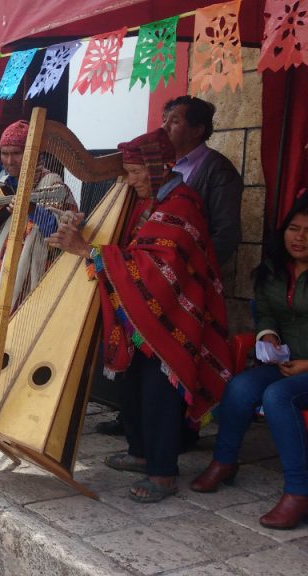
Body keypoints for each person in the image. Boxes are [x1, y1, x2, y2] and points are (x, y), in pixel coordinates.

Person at [48, 128, 232, 503]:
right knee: (131, 389)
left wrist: (87, 251)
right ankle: (139, 452)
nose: (128, 181)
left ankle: (163, 474)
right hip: (137, 317)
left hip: (170, 321)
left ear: (159, 167)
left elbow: (154, 268)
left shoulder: (182, 205)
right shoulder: (145, 202)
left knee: (158, 394)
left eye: (133, 172)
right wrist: (81, 227)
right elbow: (126, 244)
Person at [190, 195, 308, 528]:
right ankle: (224, 462)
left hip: (304, 370)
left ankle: (299, 492)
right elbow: (267, 313)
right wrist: (268, 336)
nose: (299, 237)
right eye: (294, 229)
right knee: (240, 387)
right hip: (286, 363)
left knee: (278, 396)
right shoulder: (275, 271)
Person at [0, 120, 75, 347]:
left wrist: (33, 211)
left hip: (28, 278)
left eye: (16, 153)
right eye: (4, 153)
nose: (8, 160)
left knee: (23, 341)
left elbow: (60, 232)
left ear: (32, 153)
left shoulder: (51, 184)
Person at [161, 95, 242, 266]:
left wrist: (190, 269)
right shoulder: (163, 165)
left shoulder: (219, 170)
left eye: (174, 122)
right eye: (164, 120)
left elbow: (225, 235)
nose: (164, 127)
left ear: (197, 130)